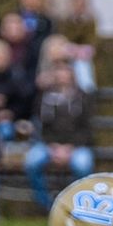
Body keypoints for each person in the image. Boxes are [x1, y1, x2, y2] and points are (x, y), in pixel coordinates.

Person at [24, 61, 94, 209]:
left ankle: (78, 205)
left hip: (76, 146)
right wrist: (52, 147)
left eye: (65, 72)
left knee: (83, 165)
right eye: (59, 72)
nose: (62, 76)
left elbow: (86, 128)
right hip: (48, 144)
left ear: (72, 75)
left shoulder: (83, 97)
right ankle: (45, 205)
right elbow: (40, 126)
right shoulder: (44, 97)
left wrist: (70, 147)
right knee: (31, 162)